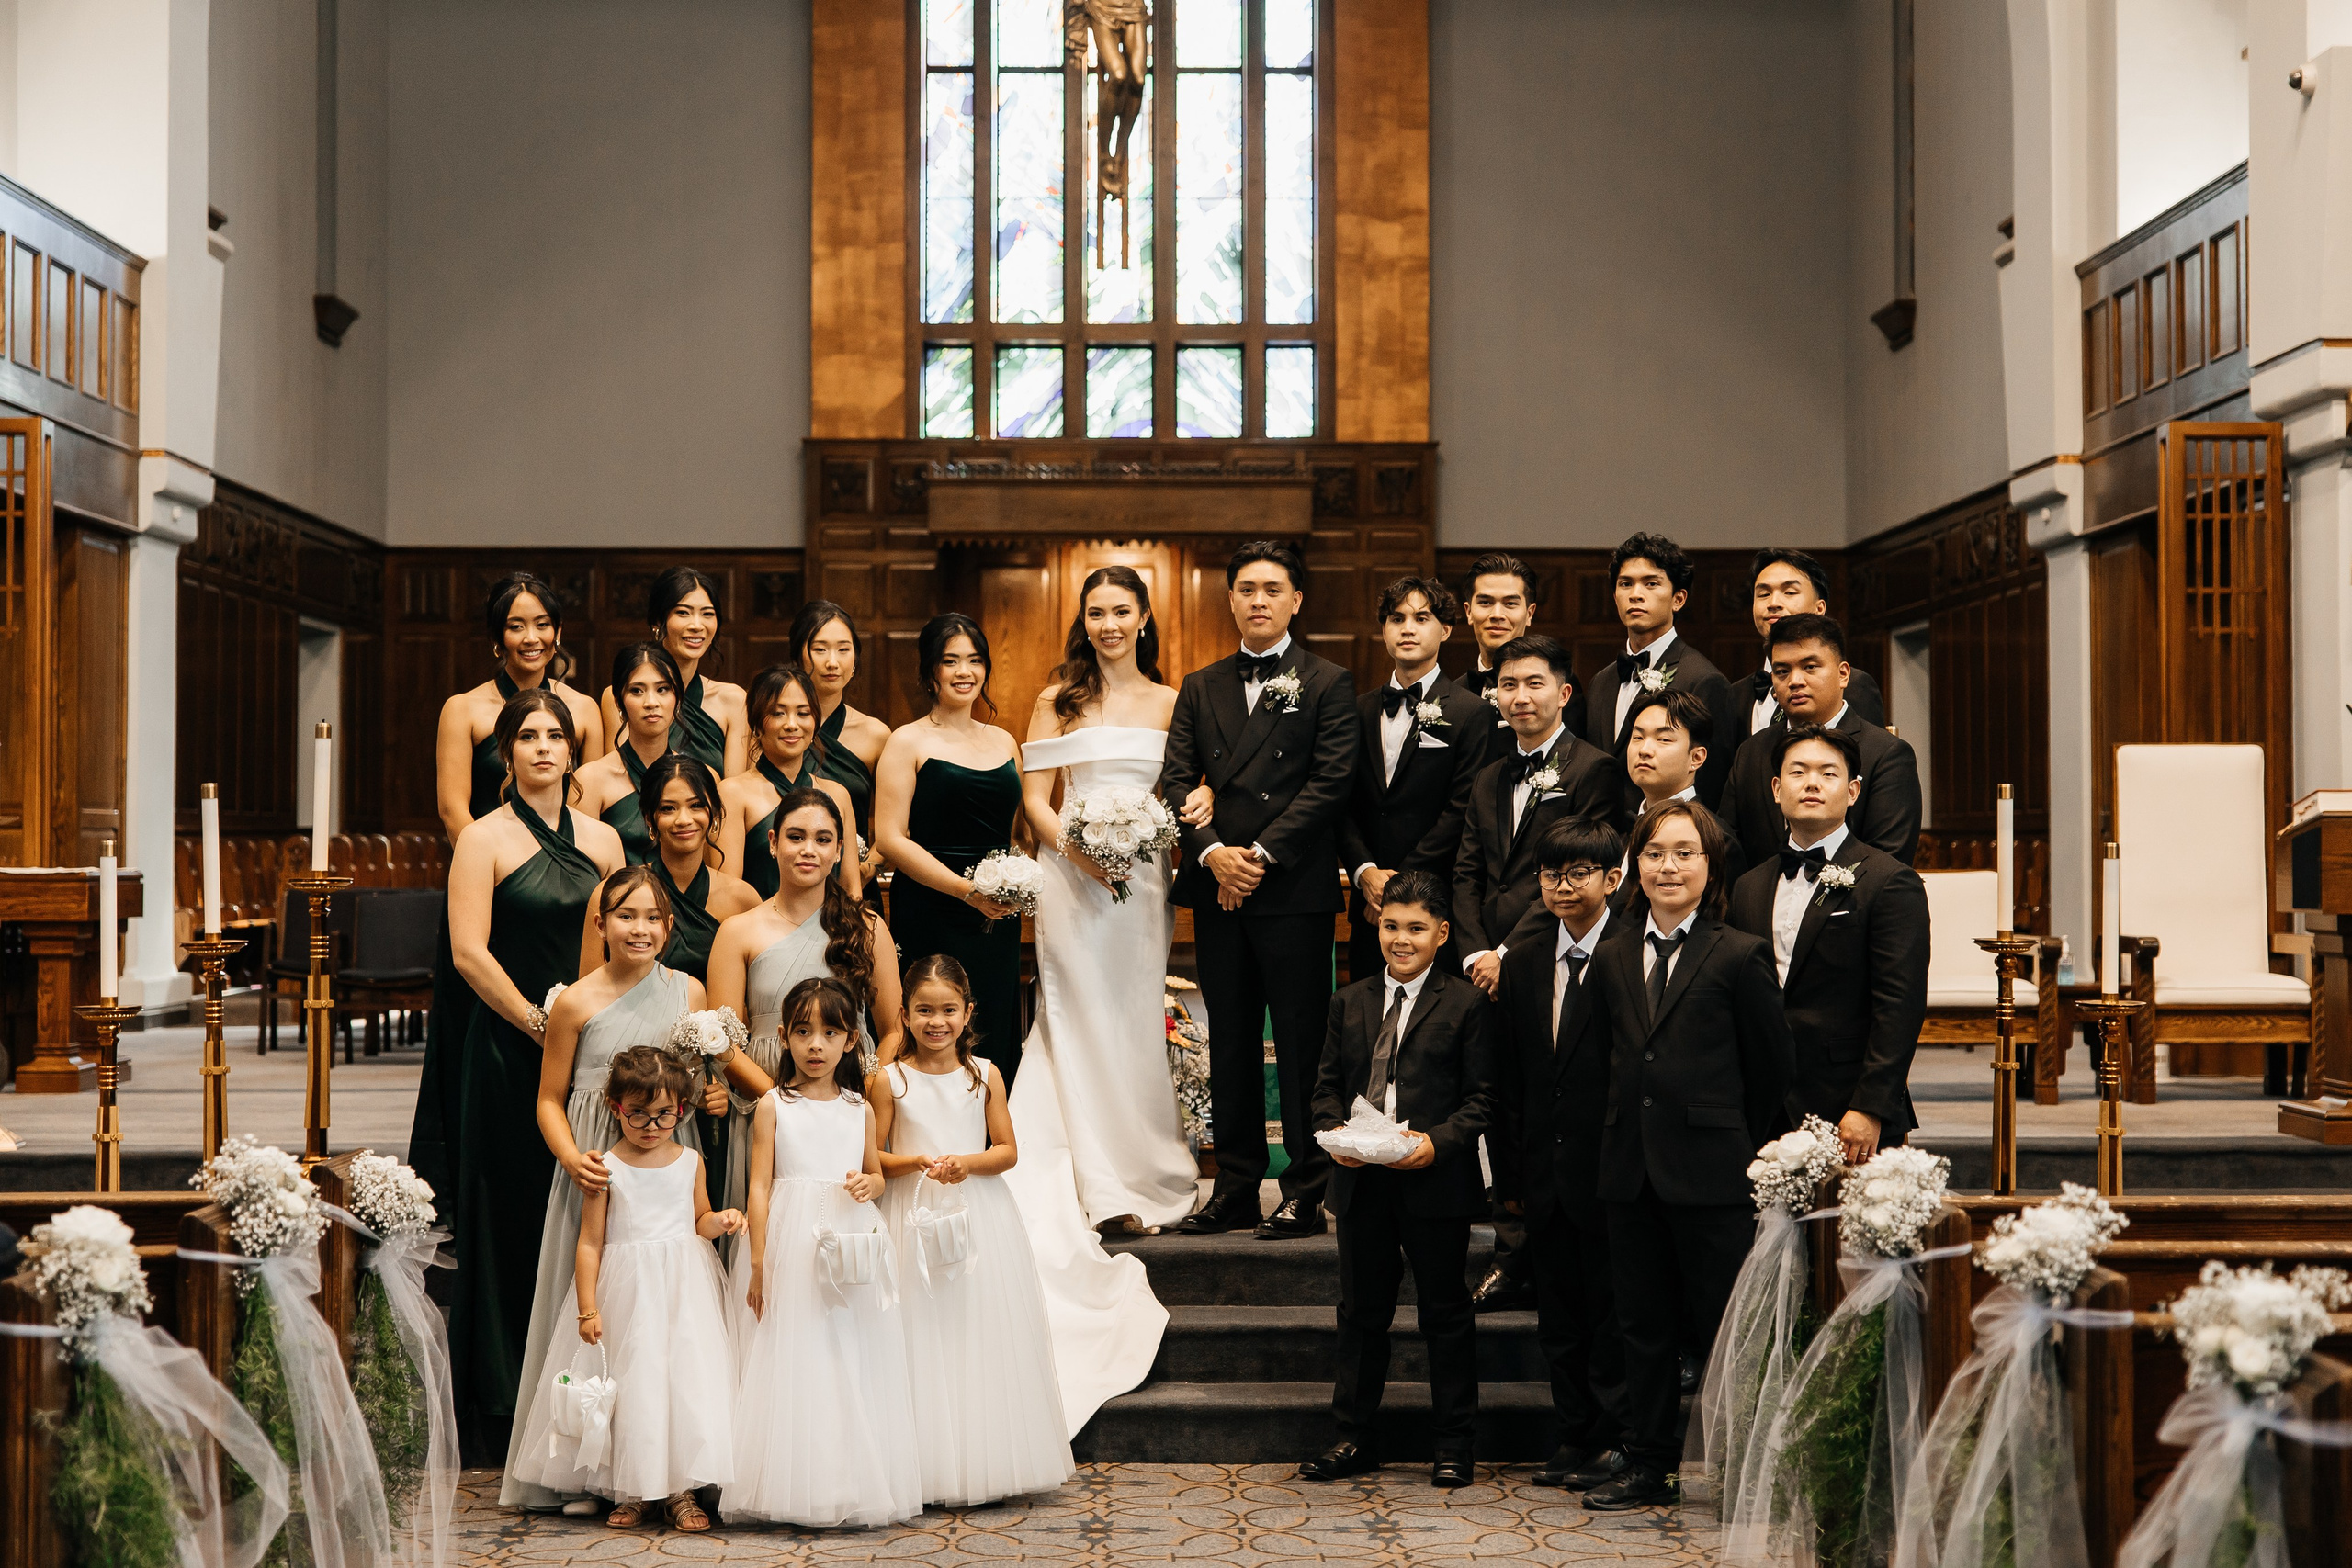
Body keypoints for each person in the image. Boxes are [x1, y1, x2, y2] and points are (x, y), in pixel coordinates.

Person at [1578, 801, 1794, 1510]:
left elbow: (1769, 1074)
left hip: (1712, 1174)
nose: (1668, 866)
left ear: (1711, 866)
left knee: (1722, 1327)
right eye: (1654, 853)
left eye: (1684, 853)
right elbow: (1598, 1062)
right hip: (1630, 1171)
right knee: (1642, 1327)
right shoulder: (1610, 952)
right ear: (1632, 867)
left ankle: (1741, 1468)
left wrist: (1734, 1144)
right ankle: (1650, 1465)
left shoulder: (1738, 952)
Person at [1160, 540, 1359, 1241]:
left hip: (1292, 889)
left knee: (1304, 1044)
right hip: (1219, 890)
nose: (1259, 600)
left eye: (1273, 589)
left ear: (1296, 600)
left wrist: (1260, 857)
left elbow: (1330, 783)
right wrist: (1214, 855)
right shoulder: (1200, 684)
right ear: (1232, 598)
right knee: (1231, 1041)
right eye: (1246, 588)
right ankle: (1236, 1186)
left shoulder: (1329, 681)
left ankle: (1307, 1188)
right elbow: (1179, 777)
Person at [447, 689, 625, 1463]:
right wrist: (532, 1017)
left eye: (557, 735)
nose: (544, 747)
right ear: (508, 753)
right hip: (505, 1044)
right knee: (510, 1211)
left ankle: (582, 1399)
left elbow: (615, 944)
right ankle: (497, 1400)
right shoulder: (482, 839)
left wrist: (582, 1026)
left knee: (582, 1215)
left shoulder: (605, 841)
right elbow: (467, 953)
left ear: (572, 750)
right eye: (528, 736)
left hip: (583, 1050)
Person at [505, 867, 709, 1510]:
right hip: (597, 1163)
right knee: (597, 1322)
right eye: (626, 915)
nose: (640, 928)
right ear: (600, 924)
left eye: (653, 917)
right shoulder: (575, 1001)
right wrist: (573, 1158)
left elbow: (697, 1081)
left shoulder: (690, 991)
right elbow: (547, 1097)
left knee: (666, 1331)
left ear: (669, 927)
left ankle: (664, 1466)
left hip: (667, 1164)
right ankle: (593, 1467)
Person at [1297, 871, 1498, 1491]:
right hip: (1362, 1182)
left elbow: (1482, 1099)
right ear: (1374, 925)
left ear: (1442, 932)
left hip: (1432, 1181)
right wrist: (1336, 1136)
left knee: (1445, 1313)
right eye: (1390, 925)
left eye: (1415, 927)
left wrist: (1438, 1141)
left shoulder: (1465, 1003)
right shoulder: (1349, 1000)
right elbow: (1326, 1088)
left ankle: (1454, 1444)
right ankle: (1353, 1435)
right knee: (1360, 1313)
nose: (1401, 938)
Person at [415, 571, 605, 1215]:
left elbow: (588, 795)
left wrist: (564, 874)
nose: (530, 636)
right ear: (498, 637)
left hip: (569, 888)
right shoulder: (463, 708)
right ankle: (470, 1190)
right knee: (483, 1059)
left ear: (558, 633)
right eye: (516, 624)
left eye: (541, 624)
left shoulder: (583, 710)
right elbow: (451, 807)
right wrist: (507, 864)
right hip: (494, 892)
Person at [1014, 565, 1194, 1233]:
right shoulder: (1055, 697)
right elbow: (1035, 799)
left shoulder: (1172, 701)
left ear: (1144, 617)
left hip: (1144, 882)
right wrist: (1078, 852)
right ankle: (1084, 1174)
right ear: (1082, 620)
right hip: (1068, 876)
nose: (1109, 625)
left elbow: (1180, 794)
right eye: (1096, 613)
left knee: (1133, 1013)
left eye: (1122, 611)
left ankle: (1139, 1163)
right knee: (1073, 1010)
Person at [507, 1043, 740, 1530]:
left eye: (663, 1115)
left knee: (683, 1383)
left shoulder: (690, 1160)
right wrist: (588, 1308)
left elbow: (698, 1220)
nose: (652, 1126)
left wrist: (722, 1220)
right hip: (627, 1291)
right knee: (635, 1384)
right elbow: (591, 1242)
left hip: (682, 1288)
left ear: (681, 1110)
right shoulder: (604, 1167)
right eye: (639, 1115)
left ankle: (679, 1489)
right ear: (617, 1109)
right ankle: (634, 1489)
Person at [873, 955, 1076, 1505]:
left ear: (967, 1013)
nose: (936, 1022)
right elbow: (873, 1155)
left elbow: (1007, 1150)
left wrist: (967, 1162)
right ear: (905, 1014)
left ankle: (977, 1459)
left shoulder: (984, 1074)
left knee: (971, 1328)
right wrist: (911, 1162)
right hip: (910, 1213)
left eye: (948, 1010)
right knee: (918, 1330)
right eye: (923, 1011)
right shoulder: (888, 1079)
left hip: (977, 1212)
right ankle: (921, 1464)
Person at [726, 978, 923, 1529]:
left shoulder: (860, 1108)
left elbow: (877, 1174)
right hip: (789, 1236)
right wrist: (760, 1258)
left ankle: (846, 1478)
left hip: (848, 1236)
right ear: (785, 1038)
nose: (816, 1045)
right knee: (794, 1351)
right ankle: (789, 1479)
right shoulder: (773, 1105)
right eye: (803, 1032)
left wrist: (870, 1186)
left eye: (830, 1033)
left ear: (851, 1041)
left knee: (847, 1351)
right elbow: (760, 1185)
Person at [1490, 819, 1634, 1494]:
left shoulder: (1632, 953)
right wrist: (1513, 1176)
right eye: (1552, 873)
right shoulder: (1522, 959)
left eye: (1579, 872)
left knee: (1612, 1314)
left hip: (1610, 1168)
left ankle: (1614, 1439)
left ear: (1613, 878)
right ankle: (1573, 1433)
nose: (1563, 884)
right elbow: (1513, 1080)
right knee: (1560, 1318)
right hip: (1544, 1173)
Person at [1727, 722, 1928, 1163]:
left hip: (1847, 1106)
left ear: (1853, 791)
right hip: (1760, 1105)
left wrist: (1871, 1106)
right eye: (1798, 773)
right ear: (1777, 788)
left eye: (1828, 773)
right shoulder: (1748, 886)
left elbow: (1900, 1005)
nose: (1812, 783)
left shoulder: (1889, 881)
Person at [706, 789, 904, 1226]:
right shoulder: (738, 932)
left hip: (846, 1095)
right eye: (796, 837)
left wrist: (862, 1089)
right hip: (765, 1092)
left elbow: (893, 1029)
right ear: (773, 842)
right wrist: (781, 1099)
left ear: (839, 851)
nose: (808, 849)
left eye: (822, 839)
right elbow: (722, 1042)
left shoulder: (867, 928)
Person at [874, 614, 1027, 1087]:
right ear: (931, 671)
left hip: (996, 914)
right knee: (934, 1021)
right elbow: (891, 838)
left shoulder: (1004, 741)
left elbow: (1017, 833)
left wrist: (1020, 881)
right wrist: (965, 890)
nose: (965, 672)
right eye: (951, 660)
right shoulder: (907, 740)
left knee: (994, 1016)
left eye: (975, 661)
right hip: (933, 905)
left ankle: (989, 1138)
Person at [1338, 576, 1487, 986]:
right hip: (1368, 904)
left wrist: (1398, 889)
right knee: (1367, 1022)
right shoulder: (1357, 710)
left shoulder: (1471, 712)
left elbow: (1461, 808)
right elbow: (1339, 801)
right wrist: (1366, 872)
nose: (1407, 627)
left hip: (1434, 901)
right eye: (1396, 617)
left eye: (1421, 618)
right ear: (1383, 629)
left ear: (1446, 629)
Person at [1453, 634, 1620, 996]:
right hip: (1480, 967)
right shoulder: (1488, 777)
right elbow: (1467, 873)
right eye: (1508, 685)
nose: (1520, 697)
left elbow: (1582, 877)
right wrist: (1475, 955)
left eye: (1534, 683)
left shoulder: (1594, 769)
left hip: (1553, 951)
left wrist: (1505, 954)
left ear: (1563, 695)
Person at [1717, 613, 1921, 872]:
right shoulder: (1751, 751)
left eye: (1810, 667)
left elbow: (1888, 863)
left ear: (1843, 674)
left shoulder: (1887, 754)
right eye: (1782, 671)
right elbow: (1729, 847)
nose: (1795, 681)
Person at [1575, 534, 1737, 813]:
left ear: (1679, 598)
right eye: (1626, 584)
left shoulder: (1703, 680)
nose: (1636, 594)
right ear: (1615, 597)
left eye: (1651, 583)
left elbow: (1711, 788)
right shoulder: (1601, 681)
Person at [716, 664, 860, 899]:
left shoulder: (838, 794)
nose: (792, 724)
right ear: (756, 724)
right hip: (759, 932)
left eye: (803, 713)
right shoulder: (732, 793)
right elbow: (730, 895)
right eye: (778, 713)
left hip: (830, 930)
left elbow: (851, 889)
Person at [1728, 547, 1885, 755]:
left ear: (1819, 608)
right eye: (1764, 594)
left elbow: (1868, 755)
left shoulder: (1853, 684)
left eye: (1789, 592)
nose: (1773, 603)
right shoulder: (1736, 694)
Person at [600, 567, 747, 778]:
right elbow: (620, 778)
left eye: (707, 614)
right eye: (683, 613)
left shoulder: (734, 700)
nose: (697, 625)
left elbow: (732, 793)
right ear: (658, 621)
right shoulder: (620, 695)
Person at [794, 600, 891, 879]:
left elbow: (895, 826)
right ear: (798, 656)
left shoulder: (876, 735)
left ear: (855, 660)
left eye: (843, 650)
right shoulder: (771, 729)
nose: (832, 662)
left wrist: (864, 870)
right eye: (820, 649)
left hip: (854, 881)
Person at [573, 644, 684, 866]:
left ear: (678, 699)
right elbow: (582, 874)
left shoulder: (701, 776)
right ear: (619, 703)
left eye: (662, 689)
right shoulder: (591, 780)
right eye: (637, 691)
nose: (651, 702)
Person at [1455, 552, 1555, 761]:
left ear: (1529, 613)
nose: (1497, 614)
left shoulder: (1555, 684)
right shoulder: (1453, 694)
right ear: (1468, 612)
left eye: (1510, 604)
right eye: (1485, 602)